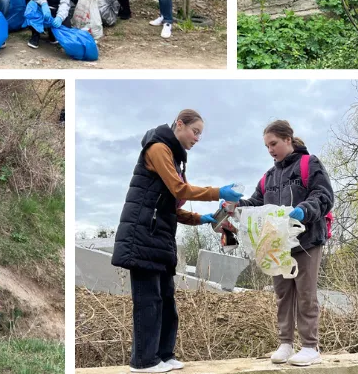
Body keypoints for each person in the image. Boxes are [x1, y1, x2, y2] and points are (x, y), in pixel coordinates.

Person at [111, 109, 243, 373]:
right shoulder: (159, 147)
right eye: (195, 132)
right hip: (142, 235)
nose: (197, 138)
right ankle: (144, 361)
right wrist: (218, 192)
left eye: (200, 135)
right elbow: (179, 190)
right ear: (179, 125)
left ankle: (163, 355)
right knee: (148, 301)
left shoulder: (176, 158)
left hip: (160, 238)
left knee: (167, 302)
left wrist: (204, 218)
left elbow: (172, 206)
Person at [234, 120, 335, 366]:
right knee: (282, 294)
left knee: (305, 293)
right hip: (277, 245)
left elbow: (324, 195)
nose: (270, 150)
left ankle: (310, 346)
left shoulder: (309, 164)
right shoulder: (268, 177)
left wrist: (304, 210)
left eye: (274, 144)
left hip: (306, 240)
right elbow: (256, 203)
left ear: (288, 140)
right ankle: (286, 343)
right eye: (267, 146)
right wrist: (235, 207)